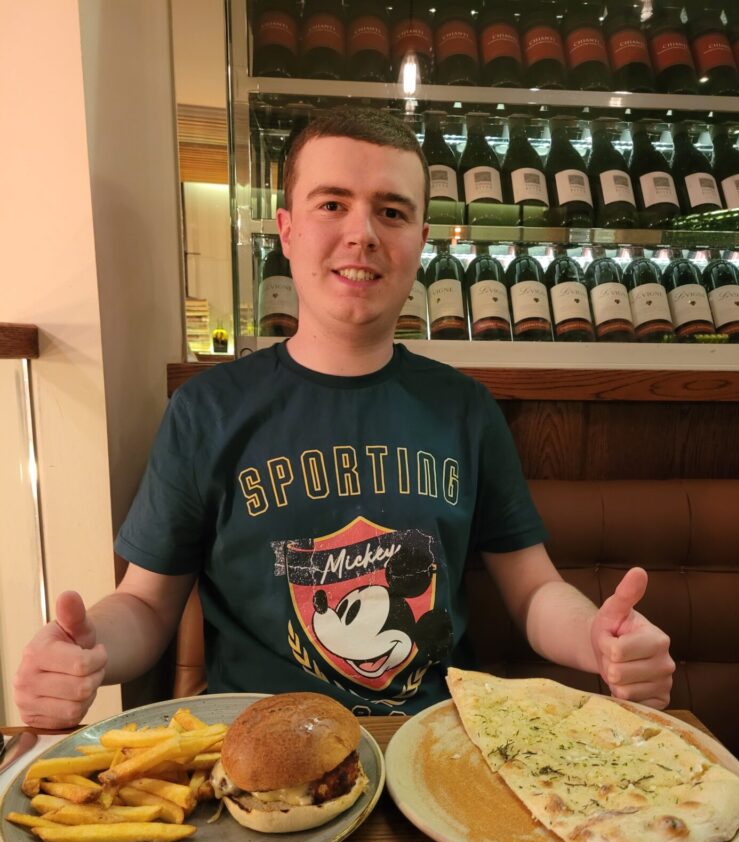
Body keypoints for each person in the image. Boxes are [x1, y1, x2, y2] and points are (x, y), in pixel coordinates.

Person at [13, 107, 674, 729]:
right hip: (257, 752)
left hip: (428, 749)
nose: (363, 234)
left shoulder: (465, 410)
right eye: (332, 204)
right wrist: (89, 650)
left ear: (420, 240)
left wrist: (596, 638)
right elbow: (145, 604)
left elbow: (533, 591)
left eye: (392, 211)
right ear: (287, 229)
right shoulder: (206, 411)